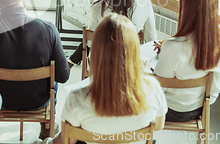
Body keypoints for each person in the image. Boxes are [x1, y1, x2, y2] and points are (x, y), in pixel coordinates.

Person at [41, 13, 166, 144]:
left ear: (95, 53)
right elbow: (158, 125)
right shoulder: (153, 87)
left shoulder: (77, 98)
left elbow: (66, 140)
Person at [0, 0, 70, 139]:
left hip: (3, 100)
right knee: (55, 79)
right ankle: (47, 126)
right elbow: (63, 76)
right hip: (38, 102)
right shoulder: (48, 30)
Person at [154, 0, 220, 122]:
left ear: (186, 3)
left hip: (173, 110)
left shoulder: (173, 46)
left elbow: (158, 90)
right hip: (205, 106)